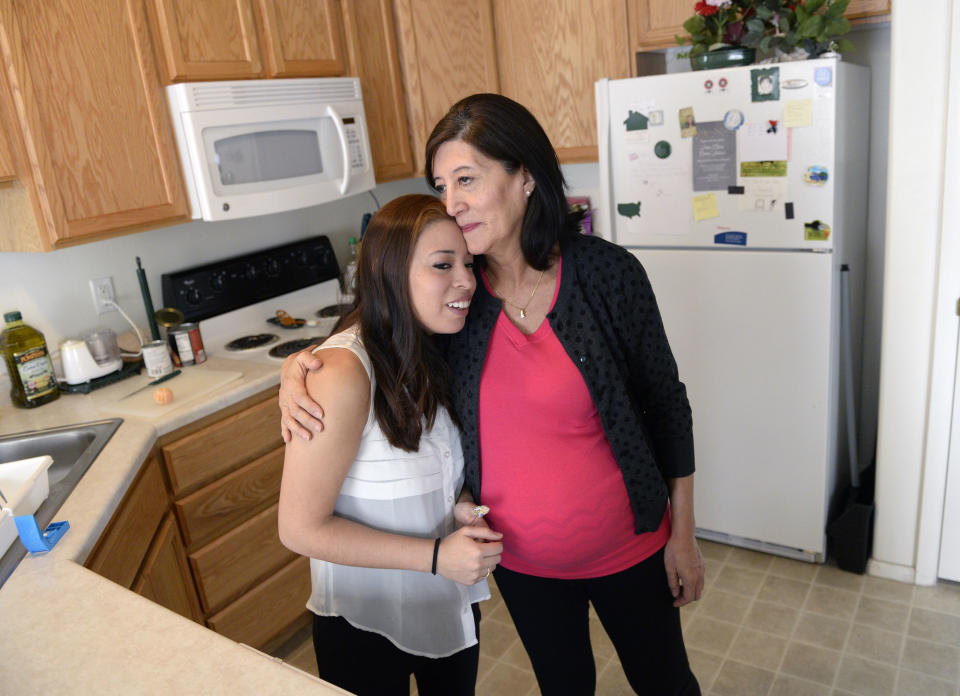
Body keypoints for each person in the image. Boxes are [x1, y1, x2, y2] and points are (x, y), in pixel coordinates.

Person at [280, 95, 705, 696]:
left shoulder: (608, 274)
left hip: (631, 545)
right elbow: (373, 333)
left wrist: (683, 536)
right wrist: (299, 366)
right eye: (441, 184)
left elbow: (667, 405)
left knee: (667, 684)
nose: (451, 202)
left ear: (525, 176)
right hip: (525, 566)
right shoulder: (457, 297)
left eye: (467, 180)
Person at [277, 193, 503, 696]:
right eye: (442, 265)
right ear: (389, 273)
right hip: (365, 623)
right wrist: (435, 556)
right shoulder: (343, 372)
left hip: (445, 601)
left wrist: (460, 505)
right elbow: (298, 528)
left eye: (468, 263)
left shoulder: (434, 345)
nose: (466, 280)